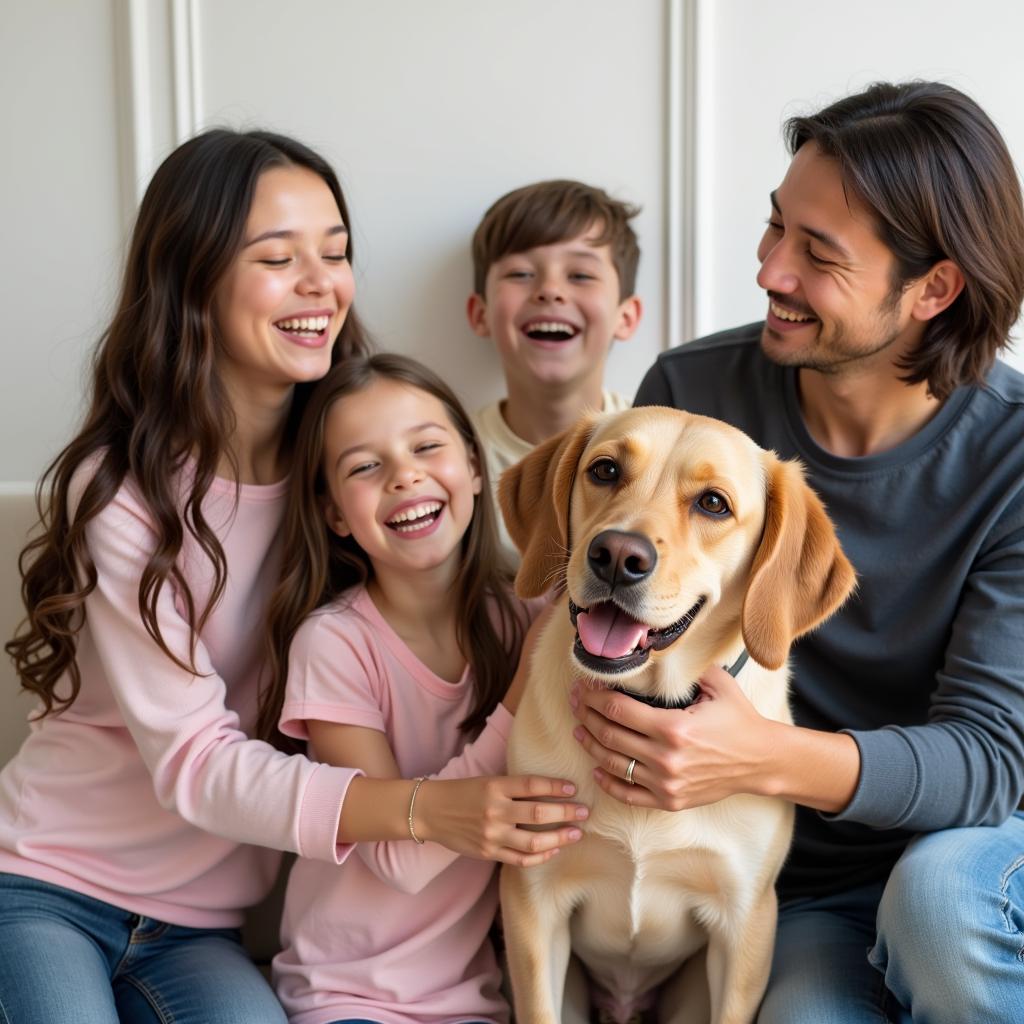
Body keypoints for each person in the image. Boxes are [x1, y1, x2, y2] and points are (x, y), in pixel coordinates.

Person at [569, 81, 1024, 1023]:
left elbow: (988, 761)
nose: (772, 270)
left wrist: (763, 757)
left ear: (933, 289)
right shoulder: (692, 392)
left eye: (818, 256)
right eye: (777, 228)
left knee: (938, 910)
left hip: (974, 855)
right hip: (798, 880)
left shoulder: (1012, 455)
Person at [0, 128, 373, 1024]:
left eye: (336, 252)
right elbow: (198, 764)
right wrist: (422, 812)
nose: (322, 283)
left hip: (197, 927)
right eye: (279, 258)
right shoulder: (123, 492)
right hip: (44, 885)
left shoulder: (349, 477)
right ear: (193, 278)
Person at [258, 353, 588, 1024]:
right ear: (335, 514)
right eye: (364, 467)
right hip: (347, 995)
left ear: (473, 466)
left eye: (426, 447)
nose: (404, 475)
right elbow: (397, 859)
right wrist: (524, 691)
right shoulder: (333, 643)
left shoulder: (522, 619)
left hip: (478, 998)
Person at [466, 179, 643, 560]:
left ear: (625, 317)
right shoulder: (451, 457)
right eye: (520, 274)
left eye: (580, 275)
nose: (549, 290)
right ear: (479, 314)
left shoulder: (656, 446)